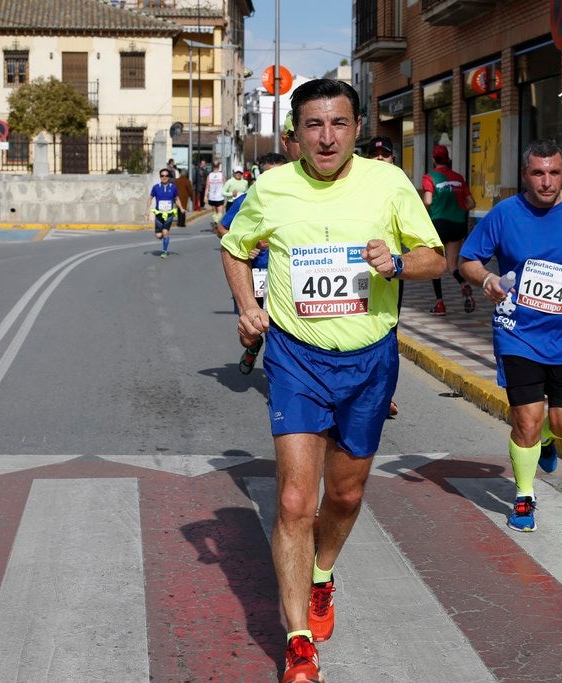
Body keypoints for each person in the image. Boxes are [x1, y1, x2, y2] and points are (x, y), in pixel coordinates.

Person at [220, 78, 445, 683]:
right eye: (314, 125)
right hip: (296, 357)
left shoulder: (388, 183)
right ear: (295, 133)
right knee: (296, 500)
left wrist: (396, 262)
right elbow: (235, 249)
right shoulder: (271, 187)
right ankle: (297, 644)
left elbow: (436, 256)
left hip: (369, 360)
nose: (326, 137)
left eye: (338, 124)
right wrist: (247, 306)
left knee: (343, 496)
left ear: (356, 129)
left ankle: (323, 574)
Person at [458, 138, 562, 533]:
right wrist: (489, 278)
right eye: (538, 173)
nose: (546, 182)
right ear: (525, 175)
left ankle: (549, 439)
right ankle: (524, 497)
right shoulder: (504, 214)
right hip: (518, 334)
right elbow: (468, 260)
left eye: (554, 173)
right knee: (526, 421)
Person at [218, 151, 288, 373]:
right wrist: (246, 249)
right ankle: (253, 347)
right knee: (250, 334)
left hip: (283, 277)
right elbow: (223, 228)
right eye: (268, 175)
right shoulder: (246, 200)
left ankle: (281, 376)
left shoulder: (295, 202)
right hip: (255, 276)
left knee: (281, 331)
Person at [367, 135, 402, 419]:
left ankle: (385, 394)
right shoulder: (354, 186)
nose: (380, 159)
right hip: (354, 273)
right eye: (375, 155)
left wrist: (401, 263)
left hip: (389, 274)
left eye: (385, 154)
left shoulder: (401, 187)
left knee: (387, 335)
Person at [423, 143, 477, 316]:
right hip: (457, 225)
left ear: (433, 159)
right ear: (448, 159)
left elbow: (428, 201)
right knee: (453, 265)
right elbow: (471, 203)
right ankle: (463, 284)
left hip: (438, 224)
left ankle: (440, 304)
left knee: (435, 265)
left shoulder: (430, 177)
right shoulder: (459, 178)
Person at [148, 167, 184, 258]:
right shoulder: (156, 187)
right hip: (159, 214)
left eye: (166, 175)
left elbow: (177, 199)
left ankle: (164, 251)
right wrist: (147, 209)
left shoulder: (173, 188)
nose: (164, 177)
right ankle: (162, 237)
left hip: (169, 214)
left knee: (165, 232)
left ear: (169, 177)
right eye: (162, 175)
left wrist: (181, 208)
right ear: (160, 177)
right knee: (158, 235)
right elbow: (150, 198)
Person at [204, 161, 226, 227]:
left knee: (214, 211)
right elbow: (225, 186)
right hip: (220, 196)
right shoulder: (222, 175)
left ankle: (215, 222)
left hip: (212, 196)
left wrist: (205, 196)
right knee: (220, 212)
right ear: (219, 166)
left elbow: (207, 187)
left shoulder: (209, 176)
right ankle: (216, 222)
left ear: (212, 166)